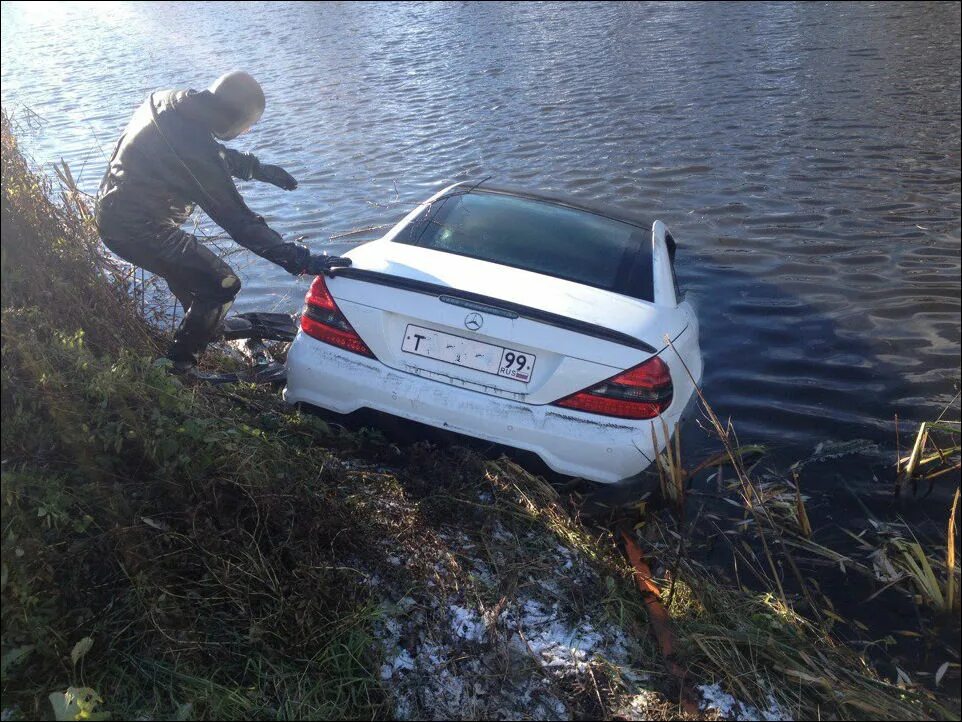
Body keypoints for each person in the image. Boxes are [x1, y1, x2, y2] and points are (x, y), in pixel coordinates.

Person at [95, 71, 349, 374]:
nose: (246, 132)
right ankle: (177, 369)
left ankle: (211, 336)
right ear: (233, 119)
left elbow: (199, 152)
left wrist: (256, 169)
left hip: (114, 213)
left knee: (198, 288)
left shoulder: (171, 102)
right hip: (137, 229)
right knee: (221, 284)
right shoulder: (194, 150)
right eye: (247, 126)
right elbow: (239, 223)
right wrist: (301, 259)